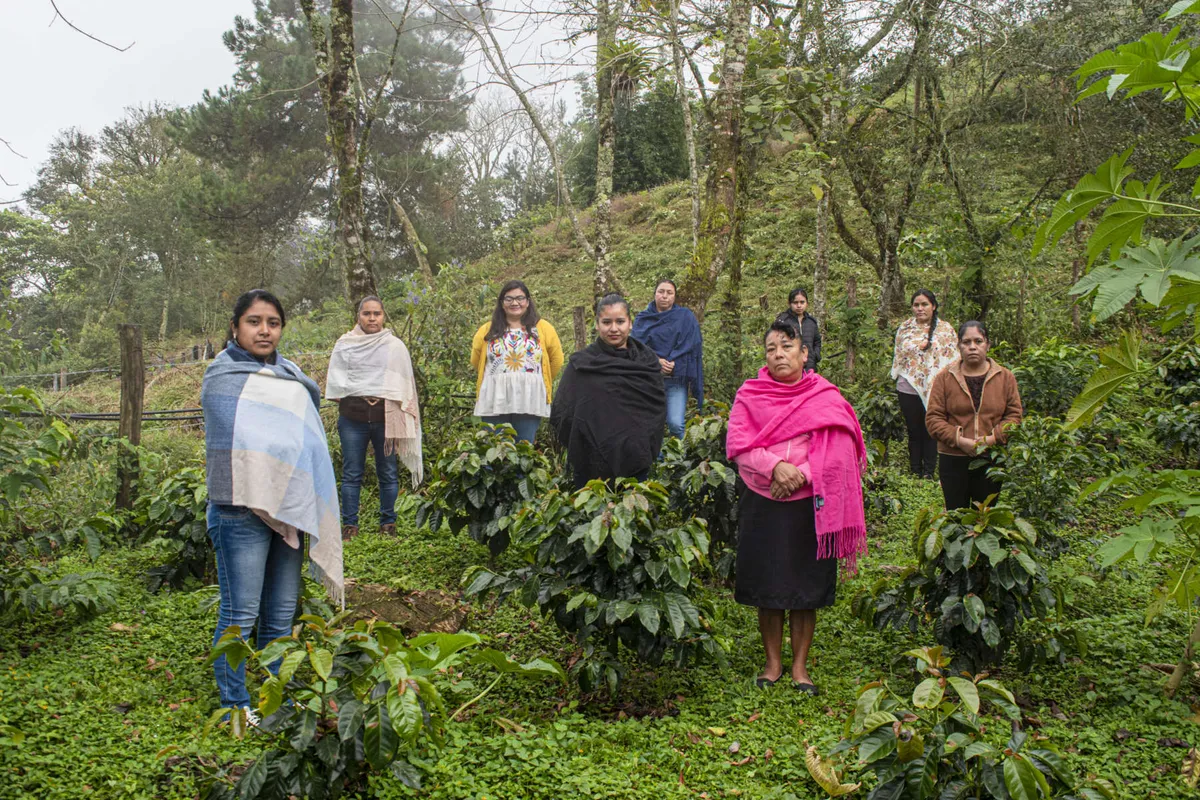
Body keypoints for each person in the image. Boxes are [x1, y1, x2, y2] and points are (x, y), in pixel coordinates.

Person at [201, 289, 341, 723]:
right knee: (240, 614)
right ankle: (235, 706)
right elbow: (243, 439)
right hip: (240, 507)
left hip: (291, 507)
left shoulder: (293, 375)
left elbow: (303, 439)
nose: (265, 330)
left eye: (273, 322)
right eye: (254, 321)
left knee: (281, 614)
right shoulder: (220, 377)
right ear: (235, 327)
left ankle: (274, 698)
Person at [726, 319, 867, 694]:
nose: (778, 354)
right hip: (762, 498)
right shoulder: (750, 394)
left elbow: (838, 451)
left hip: (810, 503)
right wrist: (776, 467)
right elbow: (738, 444)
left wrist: (801, 474)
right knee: (768, 585)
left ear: (805, 353)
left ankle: (800, 668)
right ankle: (772, 664)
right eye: (771, 348)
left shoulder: (825, 396)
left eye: (787, 347)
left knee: (806, 587)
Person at [326, 296, 423, 541]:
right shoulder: (345, 344)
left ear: (383, 316)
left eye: (376, 314)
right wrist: (361, 397)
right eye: (366, 313)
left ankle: (388, 523)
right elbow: (337, 386)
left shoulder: (394, 346)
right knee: (351, 473)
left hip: (385, 418)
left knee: (388, 471)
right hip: (352, 418)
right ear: (358, 316)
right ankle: (350, 526)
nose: (372, 318)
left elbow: (402, 384)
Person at [551, 294, 666, 488]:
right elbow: (563, 412)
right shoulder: (583, 364)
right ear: (597, 324)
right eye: (607, 322)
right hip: (590, 464)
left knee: (631, 515)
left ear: (630, 323)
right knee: (591, 517)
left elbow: (656, 411)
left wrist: (640, 443)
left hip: (635, 460)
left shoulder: (646, 363)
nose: (614, 329)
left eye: (620, 321)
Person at [925, 321, 1023, 510]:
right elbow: (933, 419)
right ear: (959, 346)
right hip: (953, 457)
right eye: (966, 342)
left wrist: (992, 438)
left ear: (988, 344)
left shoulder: (1005, 377)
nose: (972, 347)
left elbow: (1014, 416)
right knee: (956, 515)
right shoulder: (944, 378)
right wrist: (960, 440)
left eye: (978, 341)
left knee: (985, 516)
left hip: (991, 457)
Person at [471, 280, 564, 443]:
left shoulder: (543, 328)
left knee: (524, 449)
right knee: (491, 448)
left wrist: (535, 380)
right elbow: (476, 359)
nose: (515, 303)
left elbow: (556, 360)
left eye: (520, 298)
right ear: (501, 303)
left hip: (529, 398)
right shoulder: (487, 329)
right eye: (509, 299)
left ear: (528, 302)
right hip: (495, 398)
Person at [890, 289, 958, 478]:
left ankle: (928, 471)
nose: (919, 309)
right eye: (916, 305)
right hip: (908, 386)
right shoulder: (905, 328)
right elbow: (899, 354)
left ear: (933, 306)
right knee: (914, 429)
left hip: (936, 388)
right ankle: (915, 470)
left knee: (931, 428)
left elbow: (953, 359)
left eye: (924, 304)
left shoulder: (945, 330)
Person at [630, 279, 703, 439]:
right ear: (655, 294)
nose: (665, 296)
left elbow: (693, 346)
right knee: (649, 426)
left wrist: (675, 363)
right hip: (649, 381)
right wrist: (656, 361)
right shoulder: (643, 319)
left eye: (669, 293)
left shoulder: (685, 317)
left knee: (676, 424)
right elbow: (635, 347)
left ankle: (682, 461)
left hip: (675, 380)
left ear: (675, 296)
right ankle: (655, 461)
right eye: (661, 292)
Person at [774, 286, 822, 372]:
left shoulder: (811, 322)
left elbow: (817, 342)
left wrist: (815, 355)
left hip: (810, 367)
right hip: (789, 367)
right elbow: (776, 343)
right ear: (789, 304)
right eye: (795, 302)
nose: (799, 306)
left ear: (807, 303)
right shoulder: (782, 321)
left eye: (802, 302)